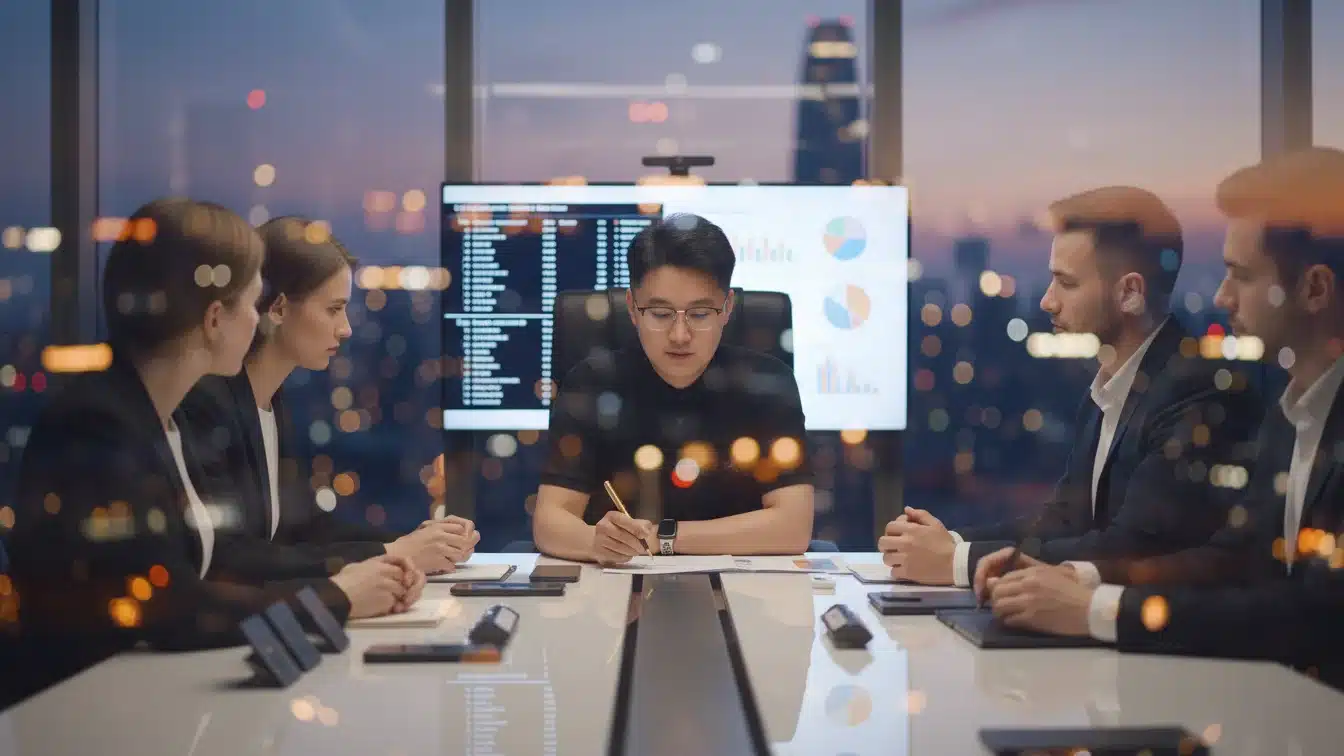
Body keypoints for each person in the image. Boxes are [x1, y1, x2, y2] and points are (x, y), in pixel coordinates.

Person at [2, 199, 420, 707]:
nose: (257, 318)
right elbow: (172, 603)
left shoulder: (157, 417)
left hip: (146, 697)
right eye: (251, 303)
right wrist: (338, 596)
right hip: (85, 712)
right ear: (215, 319)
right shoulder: (98, 425)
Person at [979, 146, 1344, 687]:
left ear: (1314, 288)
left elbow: (1312, 615)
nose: (1221, 297)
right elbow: (1231, 560)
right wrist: (1078, 580)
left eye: (1240, 275)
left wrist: (1096, 610)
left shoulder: (1207, 391)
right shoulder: (1290, 414)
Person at [880, 186, 1262, 586]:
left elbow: (1133, 546)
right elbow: (1066, 521)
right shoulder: (1111, 385)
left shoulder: (1194, 390)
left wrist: (958, 561)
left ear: (1130, 293)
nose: (1047, 301)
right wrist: (948, 543)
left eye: (1067, 283)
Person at [178, 215, 479, 580]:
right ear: (278, 308)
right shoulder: (207, 406)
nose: (347, 328)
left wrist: (412, 543)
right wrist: (393, 552)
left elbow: (305, 529)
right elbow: (230, 557)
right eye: (333, 309)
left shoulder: (274, 402)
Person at [532, 213, 814, 564]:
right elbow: (549, 521)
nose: (680, 335)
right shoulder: (592, 381)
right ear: (632, 309)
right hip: (614, 584)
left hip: (746, 587)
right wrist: (594, 542)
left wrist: (663, 536)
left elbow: (793, 527)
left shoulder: (768, 382)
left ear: (727, 309)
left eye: (699, 314)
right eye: (660, 313)